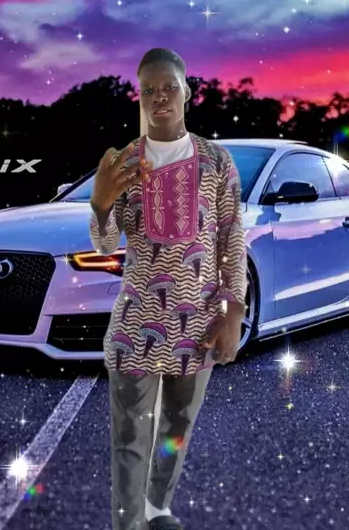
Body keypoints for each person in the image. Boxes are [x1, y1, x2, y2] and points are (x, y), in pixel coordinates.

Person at [89, 48, 247, 530]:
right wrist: (100, 205)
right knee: (130, 437)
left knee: (177, 427)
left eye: (169, 88)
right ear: (140, 98)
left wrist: (233, 312)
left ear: (187, 92)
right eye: (149, 90)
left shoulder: (217, 161)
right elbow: (105, 244)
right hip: (135, 325)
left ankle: (158, 509)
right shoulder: (124, 162)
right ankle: (127, 523)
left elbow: (231, 239)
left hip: (197, 323)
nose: (159, 97)